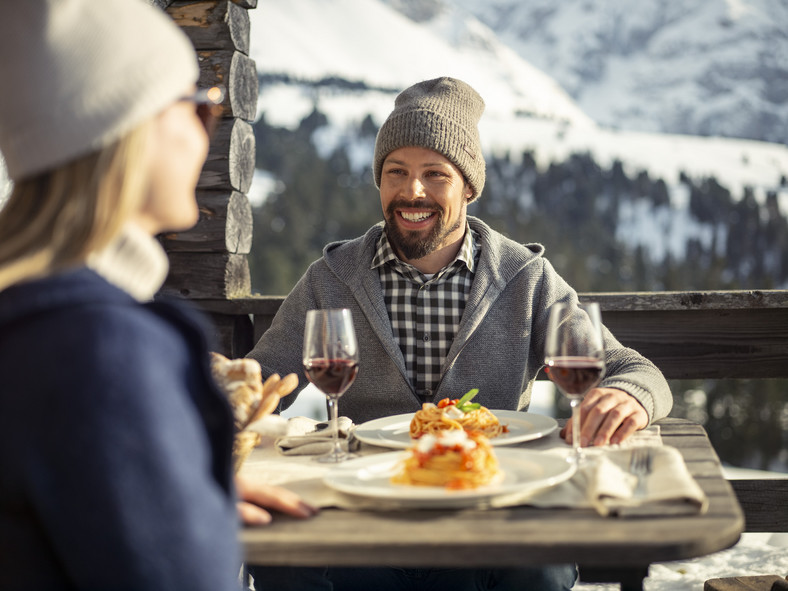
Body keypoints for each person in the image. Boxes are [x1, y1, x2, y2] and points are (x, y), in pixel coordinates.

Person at [246, 76, 673, 590]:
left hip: (492, 516)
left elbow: (633, 369)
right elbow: (263, 381)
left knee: (542, 570)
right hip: (369, 519)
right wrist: (219, 390)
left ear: (469, 185)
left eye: (435, 174)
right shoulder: (332, 278)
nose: (412, 191)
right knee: (281, 559)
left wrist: (628, 396)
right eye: (396, 172)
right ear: (379, 182)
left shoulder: (524, 277)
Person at [0, 1, 314, 590]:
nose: (207, 134)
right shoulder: (101, 349)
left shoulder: (28, 320)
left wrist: (180, 494)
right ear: (136, 128)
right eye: (200, 109)